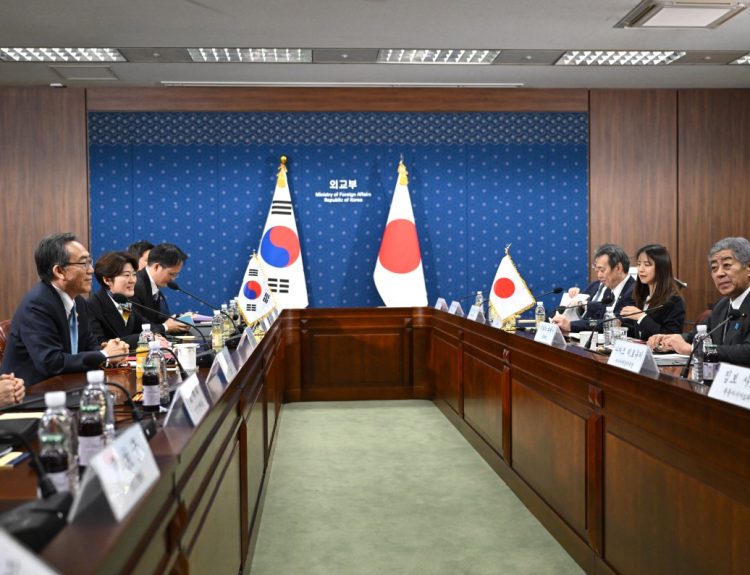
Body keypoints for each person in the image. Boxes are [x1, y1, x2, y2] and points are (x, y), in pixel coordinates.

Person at [0, 233, 129, 386]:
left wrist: (110, 350)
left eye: (90, 262)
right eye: (83, 264)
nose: (91, 270)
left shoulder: (78, 302)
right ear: (59, 271)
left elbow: (89, 345)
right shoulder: (37, 305)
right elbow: (51, 362)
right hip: (32, 392)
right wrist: (104, 355)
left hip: (69, 385)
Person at [649, 237, 750, 366]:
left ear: (748, 267)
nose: (719, 273)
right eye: (714, 268)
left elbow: (747, 352)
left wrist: (694, 350)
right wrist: (671, 339)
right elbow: (695, 335)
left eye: (727, 265)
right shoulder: (721, 305)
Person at [88, 251, 168, 349]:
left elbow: (147, 325)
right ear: (107, 280)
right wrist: (145, 338)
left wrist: (156, 335)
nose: (133, 280)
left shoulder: (124, 302)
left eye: (134, 274)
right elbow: (100, 344)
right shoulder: (92, 306)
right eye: (127, 275)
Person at [551, 243, 636, 334]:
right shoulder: (609, 289)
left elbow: (611, 323)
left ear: (618, 268)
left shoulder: (633, 291)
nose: (599, 276)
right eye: (597, 270)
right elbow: (597, 321)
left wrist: (571, 325)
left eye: (602, 270)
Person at [620, 244, 686, 340]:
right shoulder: (642, 296)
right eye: (639, 264)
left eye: (647, 265)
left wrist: (641, 317)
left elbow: (670, 337)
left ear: (661, 268)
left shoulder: (674, 301)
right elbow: (641, 334)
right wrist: (620, 325)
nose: (641, 269)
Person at [132, 242, 191, 333]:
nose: (173, 279)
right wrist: (165, 327)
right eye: (171, 274)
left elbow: (155, 318)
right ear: (157, 267)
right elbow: (137, 326)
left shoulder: (152, 284)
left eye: (176, 275)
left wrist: (177, 321)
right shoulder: (135, 286)